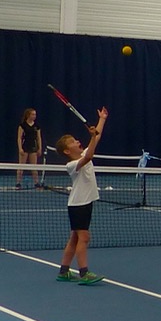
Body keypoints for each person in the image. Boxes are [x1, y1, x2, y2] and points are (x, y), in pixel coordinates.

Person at [55, 106, 109, 285]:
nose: (77, 141)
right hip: (78, 205)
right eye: (72, 142)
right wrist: (92, 136)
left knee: (75, 237)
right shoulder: (72, 165)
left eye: (76, 139)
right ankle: (84, 273)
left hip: (85, 202)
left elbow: (97, 138)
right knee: (84, 237)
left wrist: (102, 119)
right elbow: (89, 156)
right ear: (67, 151)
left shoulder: (84, 153)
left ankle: (64, 271)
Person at [16, 108, 43, 189]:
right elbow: (19, 138)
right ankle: (18, 183)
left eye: (35, 114)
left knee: (34, 167)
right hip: (24, 148)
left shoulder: (36, 126)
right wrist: (20, 148)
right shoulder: (22, 125)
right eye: (33, 114)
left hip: (33, 148)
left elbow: (39, 138)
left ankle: (36, 183)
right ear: (28, 115)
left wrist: (40, 148)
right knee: (21, 166)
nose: (34, 116)